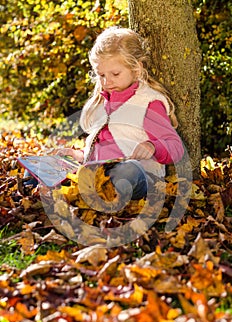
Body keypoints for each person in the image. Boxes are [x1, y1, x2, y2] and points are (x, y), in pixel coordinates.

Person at [27, 26, 184, 201]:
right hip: (95, 171)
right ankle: (43, 196)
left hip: (135, 172)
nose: (106, 81)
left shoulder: (147, 103)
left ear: (137, 69)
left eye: (115, 74)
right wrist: (77, 155)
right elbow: (99, 151)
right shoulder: (102, 103)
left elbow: (175, 147)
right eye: (100, 74)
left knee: (126, 172)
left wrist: (154, 146)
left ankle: (96, 192)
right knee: (37, 167)